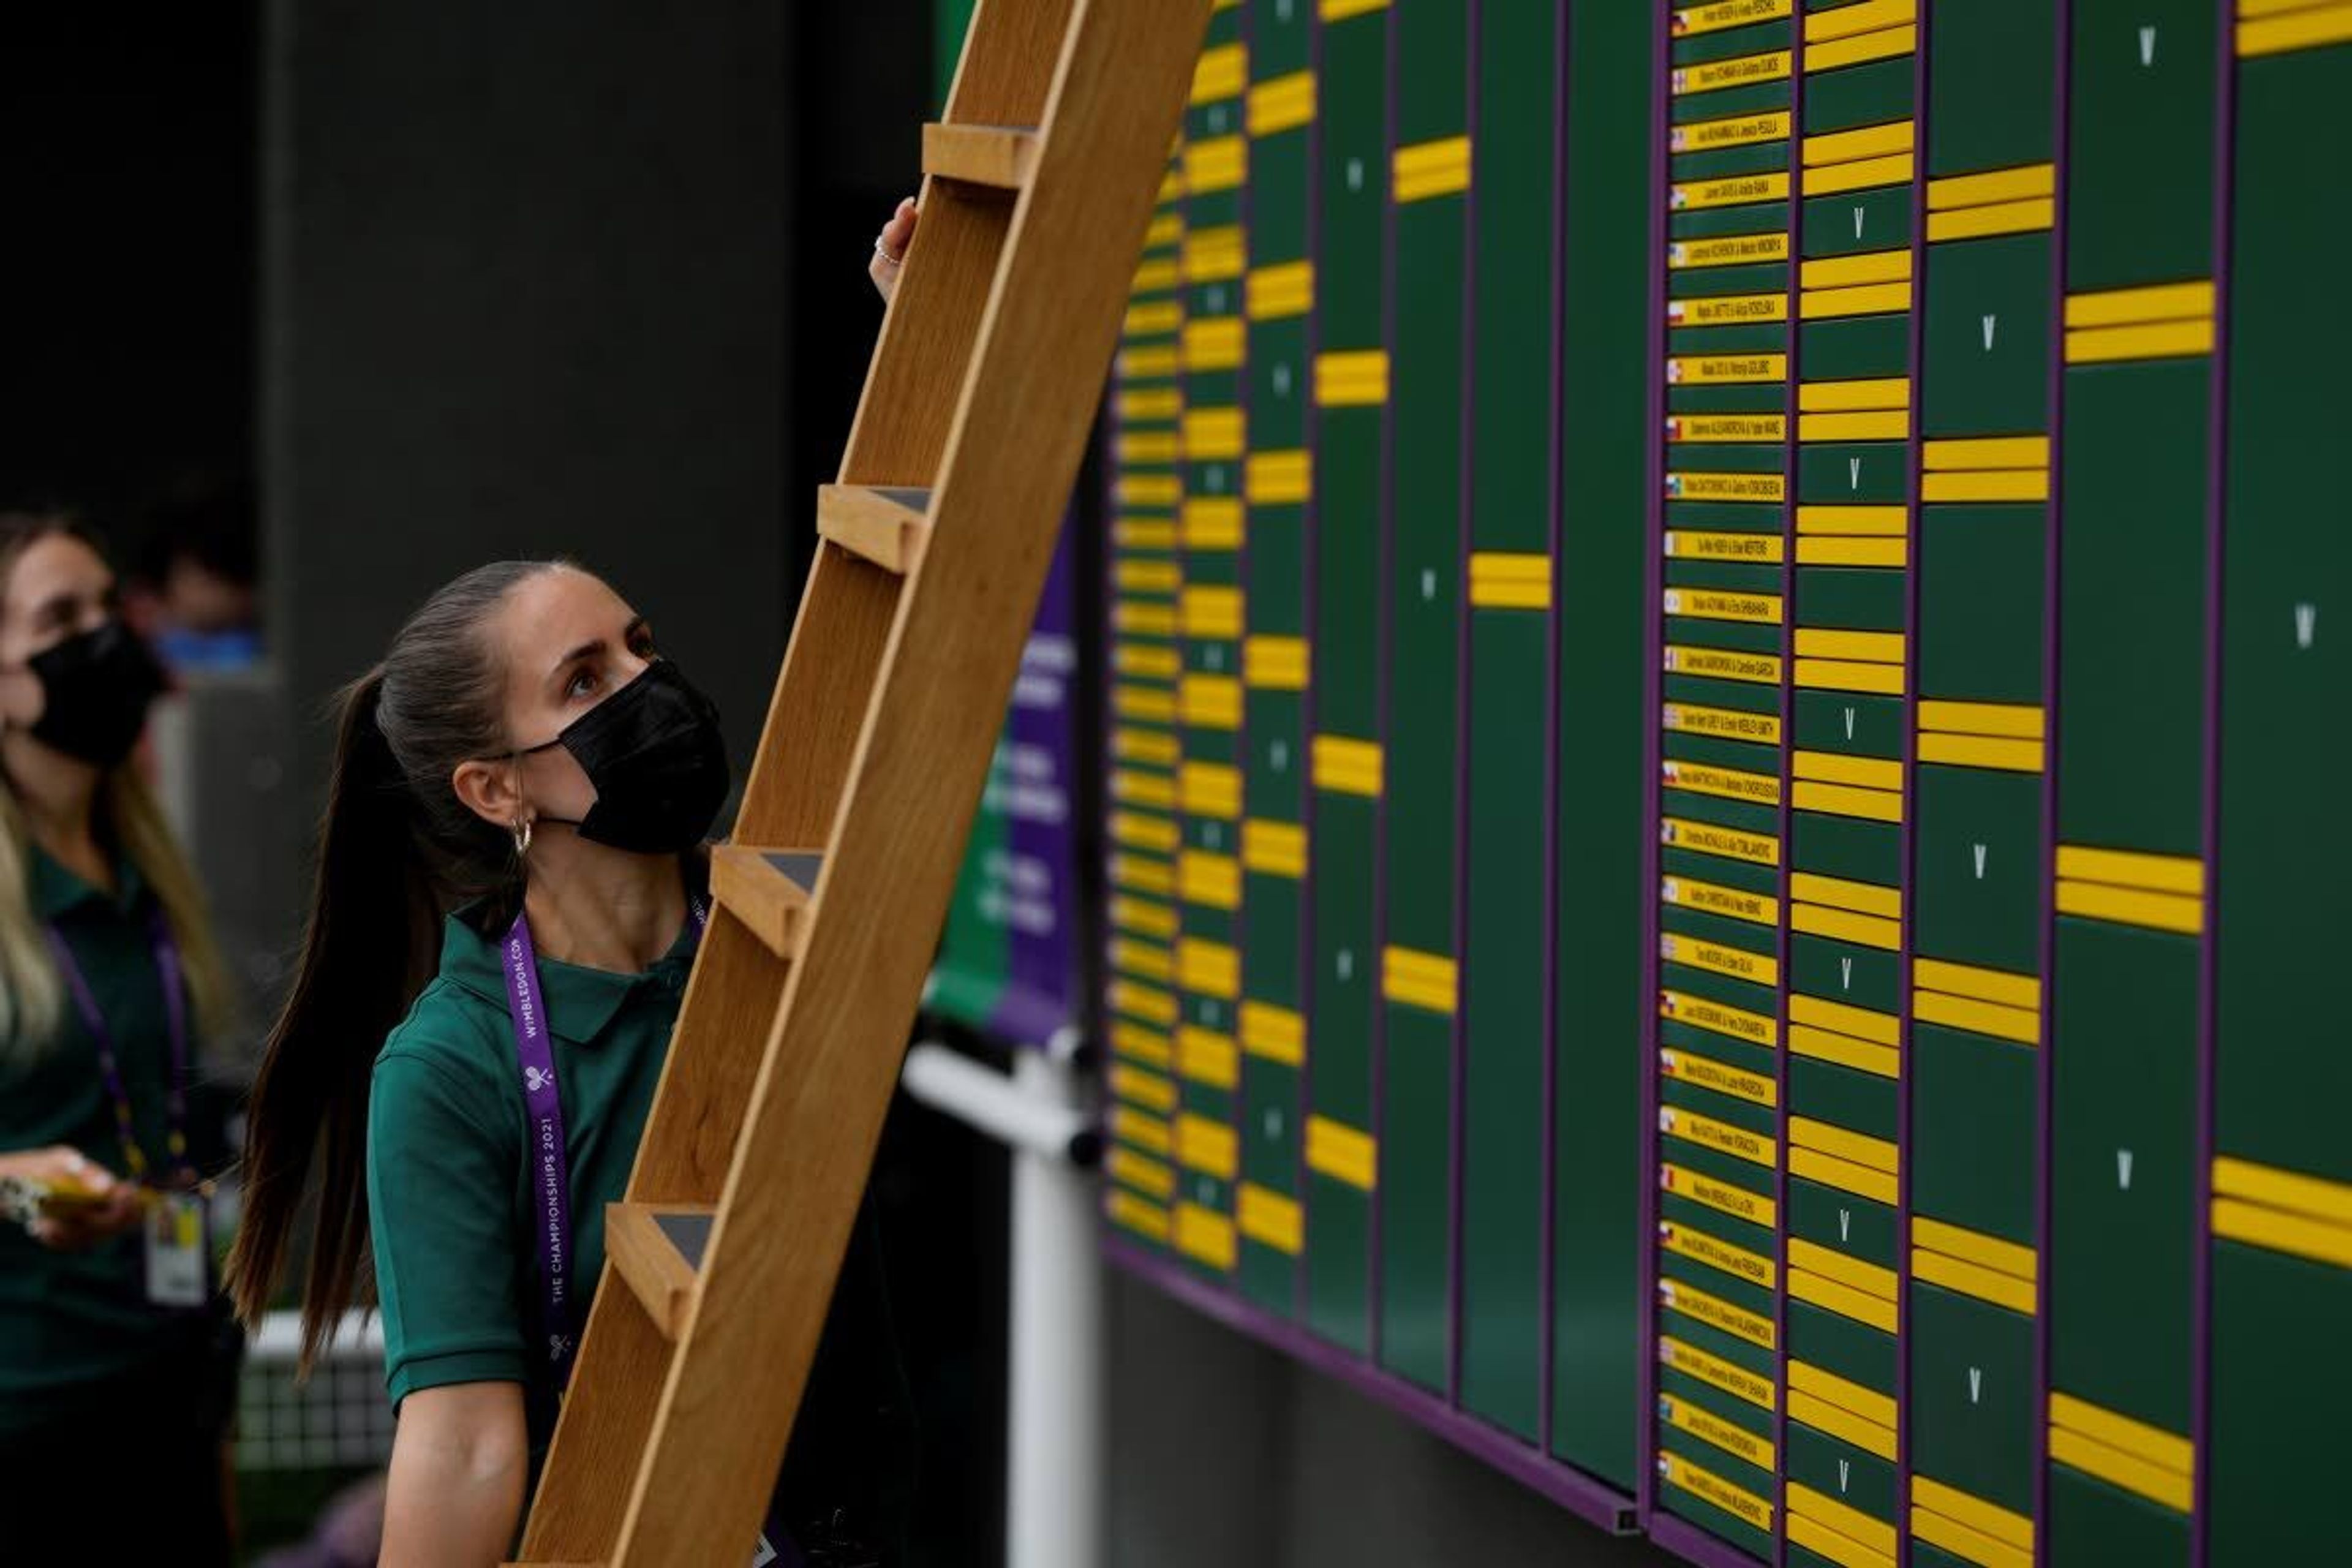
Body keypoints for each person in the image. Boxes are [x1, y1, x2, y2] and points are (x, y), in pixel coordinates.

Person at [227, 560, 915, 1567]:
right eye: (584, 682)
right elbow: (463, 1446)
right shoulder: (450, 1066)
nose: (649, 686)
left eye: (642, 644)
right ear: (496, 787)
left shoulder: (782, 927)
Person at [0, 509, 244, 1565]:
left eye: (107, 606)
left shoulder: (141, 859)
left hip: (170, 1380)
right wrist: (10, 1177)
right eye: (61, 617)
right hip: (28, 1418)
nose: (104, 635)